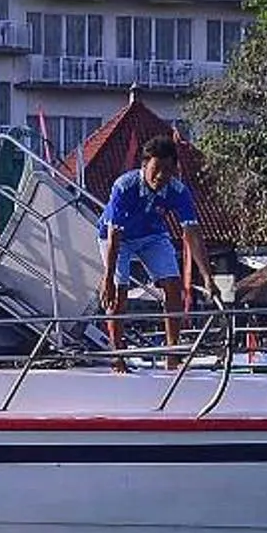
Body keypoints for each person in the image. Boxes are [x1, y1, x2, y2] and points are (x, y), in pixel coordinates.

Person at [97, 134, 209, 363]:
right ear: (144, 165)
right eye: (156, 168)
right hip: (118, 238)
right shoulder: (124, 186)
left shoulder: (178, 191)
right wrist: (108, 277)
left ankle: (172, 354)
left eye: (168, 170)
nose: (161, 176)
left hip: (152, 235)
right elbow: (114, 234)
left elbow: (192, 232)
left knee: (173, 284)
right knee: (119, 291)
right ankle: (117, 356)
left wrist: (207, 276)